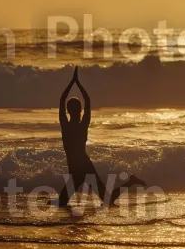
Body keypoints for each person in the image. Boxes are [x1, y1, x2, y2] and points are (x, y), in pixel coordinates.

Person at [56, 67, 146, 206]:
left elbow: (62, 100)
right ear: (79, 110)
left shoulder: (67, 126)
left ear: (69, 111)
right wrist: (78, 84)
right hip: (83, 166)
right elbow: (86, 100)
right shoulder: (82, 123)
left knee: (65, 202)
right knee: (106, 199)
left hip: (80, 168)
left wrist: (72, 83)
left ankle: (131, 182)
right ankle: (131, 182)